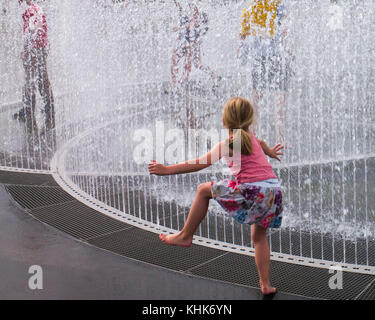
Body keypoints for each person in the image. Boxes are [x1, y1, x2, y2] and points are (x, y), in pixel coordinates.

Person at [149, 97, 284, 299]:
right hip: (274, 192)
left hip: (254, 191)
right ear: (249, 119)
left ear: (225, 120)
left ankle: (185, 235)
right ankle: (265, 284)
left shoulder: (228, 144)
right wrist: (269, 152)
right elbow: (261, 143)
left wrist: (166, 170)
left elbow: (199, 163)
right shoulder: (250, 136)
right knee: (259, 238)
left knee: (204, 189)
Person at [238, 0, 293, 144]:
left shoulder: (249, 7)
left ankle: (253, 137)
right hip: (277, 57)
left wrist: (242, 58)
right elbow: (285, 31)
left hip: (258, 57)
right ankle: (280, 139)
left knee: (256, 98)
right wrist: (289, 53)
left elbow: (243, 38)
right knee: (279, 98)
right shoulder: (277, 4)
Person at [14, 0, 55, 149]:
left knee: (30, 81)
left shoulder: (29, 9)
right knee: (42, 80)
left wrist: (25, 49)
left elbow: (31, 30)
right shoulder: (37, 8)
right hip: (40, 48)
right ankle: (49, 109)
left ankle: (29, 111)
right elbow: (41, 31)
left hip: (34, 50)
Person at [171, 0, 215, 86]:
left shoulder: (194, 11)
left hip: (193, 42)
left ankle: (212, 75)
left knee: (195, 63)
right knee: (175, 58)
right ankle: (176, 83)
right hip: (185, 41)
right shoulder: (183, 10)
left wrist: (179, 28)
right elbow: (179, 7)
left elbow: (193, 23)